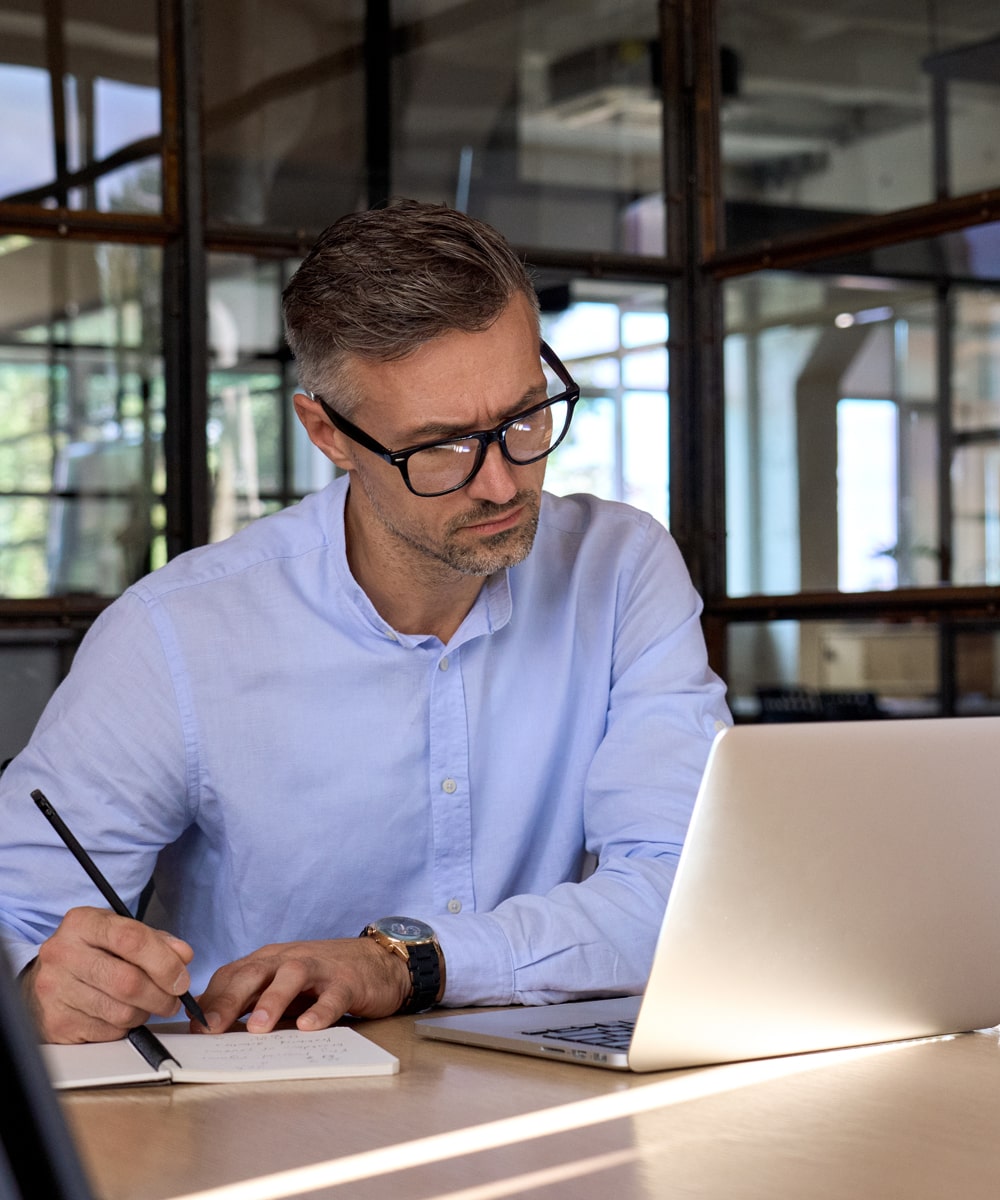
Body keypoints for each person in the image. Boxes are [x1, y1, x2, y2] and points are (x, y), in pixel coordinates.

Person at [0, 199, 730, 1045]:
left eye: (526, 416)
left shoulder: (620, 567)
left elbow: (685, 890)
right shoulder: (177, 636)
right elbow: (21, 917)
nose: (501, 483)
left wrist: (408, 962)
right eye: (442, 446)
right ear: (328, 434)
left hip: (550, 1103)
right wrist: (35, 981)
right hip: (259, 1122)